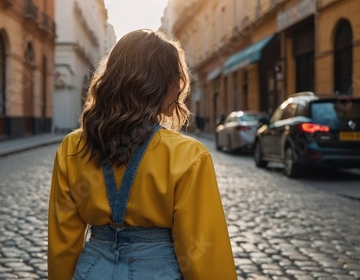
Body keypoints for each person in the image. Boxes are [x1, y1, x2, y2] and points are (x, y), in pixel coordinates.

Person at [48, 29, 236, 280]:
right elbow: (203, 250)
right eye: (176, 78)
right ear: (159, 84)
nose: (180, 86)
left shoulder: (72, 148)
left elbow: (63, 242)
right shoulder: (188, 155)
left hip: (92, 270)